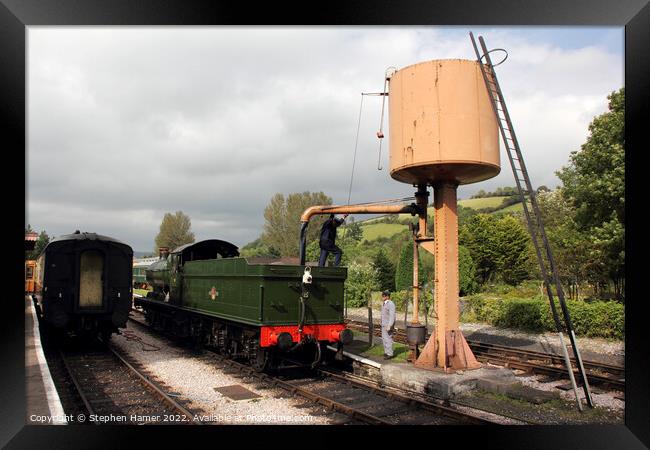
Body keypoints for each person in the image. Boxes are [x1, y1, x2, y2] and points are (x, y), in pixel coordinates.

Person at [381, 290, 396, 359]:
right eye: (382, 295)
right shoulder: (384, 303)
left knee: (388, 339)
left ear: (387, 296)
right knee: (384, 339)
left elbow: (392, 316)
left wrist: (390, 325)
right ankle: (386, 352)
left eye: (383, 296)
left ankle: (390, 354)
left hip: (388, 325)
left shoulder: (391, 304)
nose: (382, 297)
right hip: (383, 324)